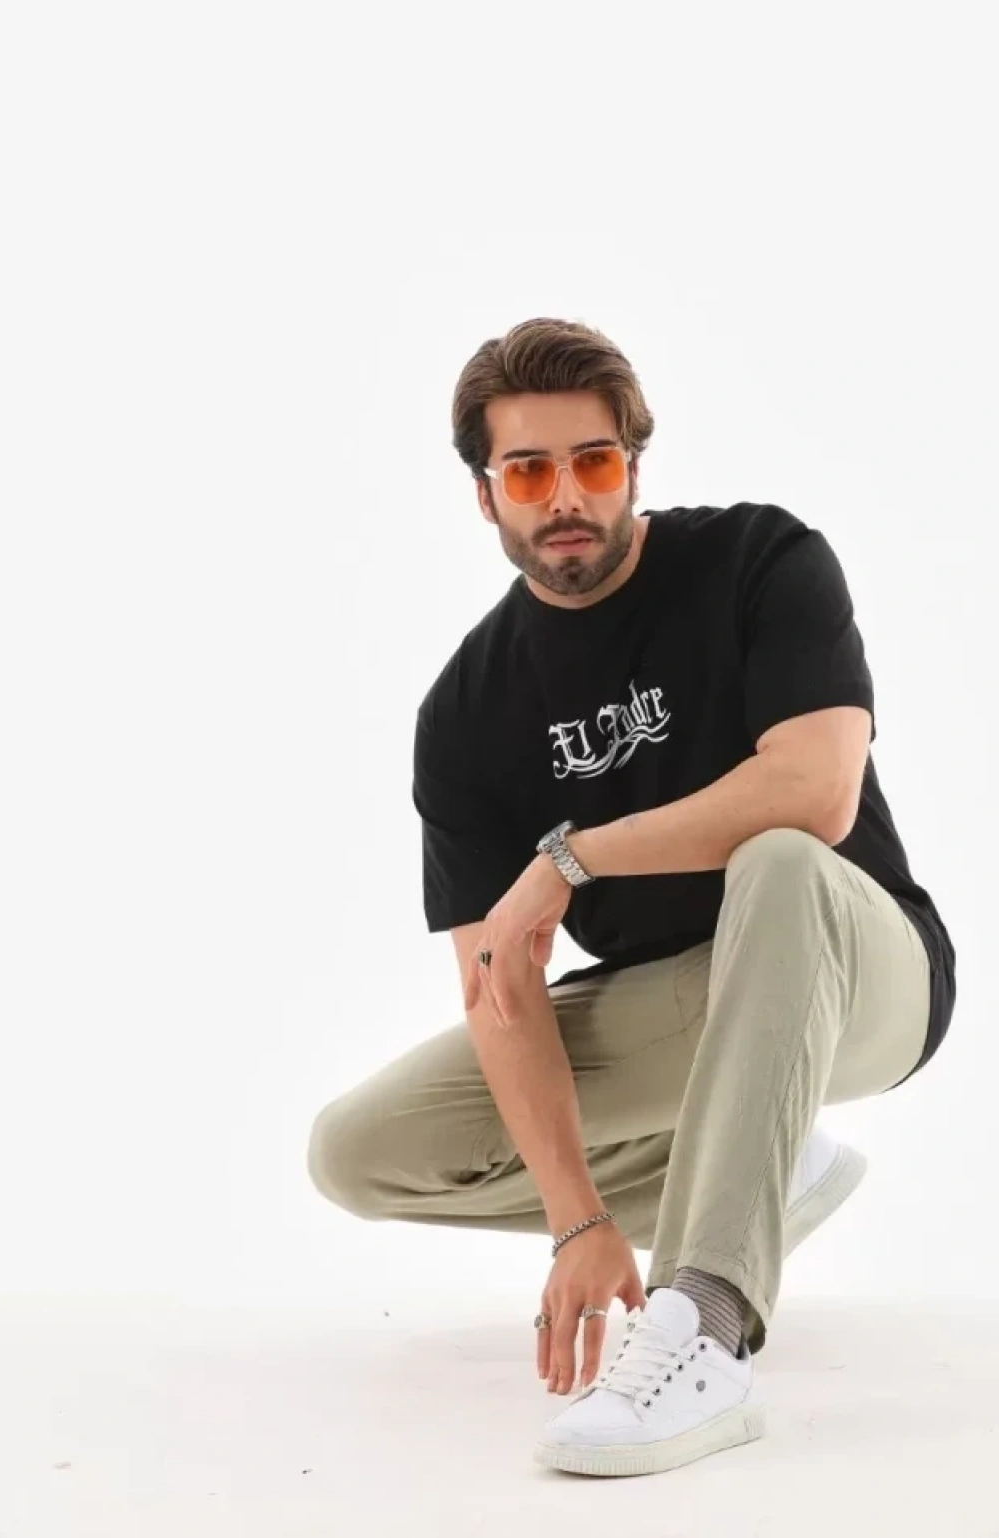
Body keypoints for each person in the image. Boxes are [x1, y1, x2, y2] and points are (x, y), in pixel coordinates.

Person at [307, 316, 956, 1478]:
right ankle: (766, 1167)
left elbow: (814, 792)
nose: (566, 496)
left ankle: (706, 1325)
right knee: (360, 1149)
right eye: (527, 469)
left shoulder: (760, 557)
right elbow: (500, 988)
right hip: (683, 1001)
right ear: (484, 493)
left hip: (862, 969)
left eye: (592, 460)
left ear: (633, 467)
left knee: (777, 859)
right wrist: (577, 1218)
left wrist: (572, 857)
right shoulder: (465, 711)